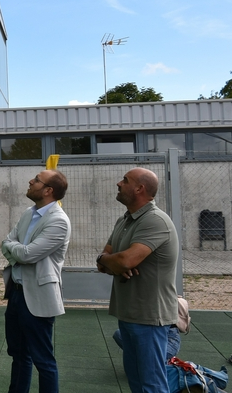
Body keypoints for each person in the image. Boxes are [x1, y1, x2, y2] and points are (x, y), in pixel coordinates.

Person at [97, 167, 180, 393]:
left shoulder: (155, 221)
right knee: (137, 384)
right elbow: (103, 260)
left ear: (139, 188)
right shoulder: (125, 220)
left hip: (149, 318)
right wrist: (110, 261)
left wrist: (116, 262)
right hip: (129, 314)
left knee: (151, 386)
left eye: (125, 180)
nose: (118, 183)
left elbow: (125, 261)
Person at [1, 169, 71, 393]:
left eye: (37, 180)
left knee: (43, 360)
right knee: (19, 355)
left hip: (38, 298)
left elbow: (27, 254)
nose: (31, 181)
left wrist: (15, 249)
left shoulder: (59, 222)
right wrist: (16, 249)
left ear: (48, 191)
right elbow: (8, 243)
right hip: (16, 294)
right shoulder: (28, 213)